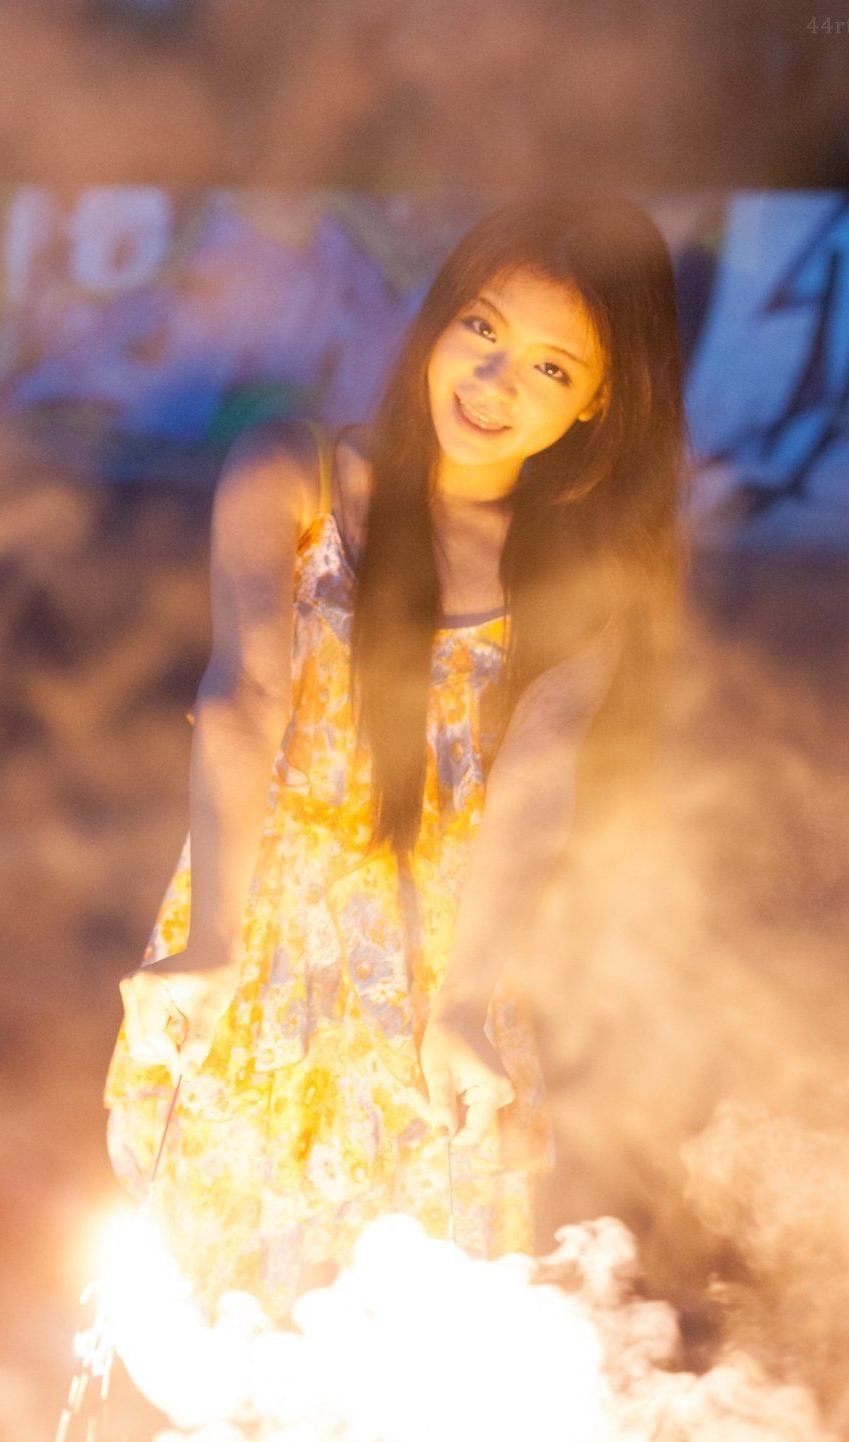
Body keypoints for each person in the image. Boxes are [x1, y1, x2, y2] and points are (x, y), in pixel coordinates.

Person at [104, 194, 687, 1321]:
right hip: (259, 943)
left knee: (418, 1342)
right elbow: (246, 693)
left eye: (551, 368)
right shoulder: (298, 469)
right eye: (483, 329)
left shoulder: (585, 576)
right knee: (216, 1326)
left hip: (445, 981)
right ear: (440, 314)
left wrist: (464, 1006)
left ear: (599, 399)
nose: (495, 382)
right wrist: (213, 938)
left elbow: (535, 789)